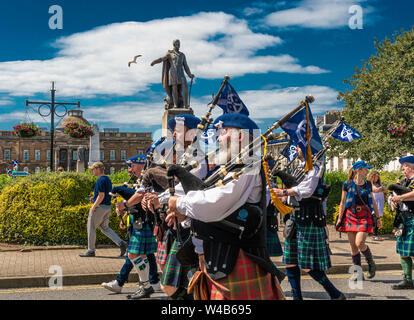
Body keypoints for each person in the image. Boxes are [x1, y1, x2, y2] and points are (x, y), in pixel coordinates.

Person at [163, 113, 285, 300]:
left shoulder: (248, 162)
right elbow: (218, 206)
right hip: (221, 260)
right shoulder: (233, 165)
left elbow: (216, 203)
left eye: (222, 132)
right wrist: (186, 215)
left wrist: (179, 204)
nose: (217, 138)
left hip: (236, 259)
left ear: (240, 136)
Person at [144, 114, 208, 300]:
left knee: (180, 285)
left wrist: (160, 199)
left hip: (197, 227)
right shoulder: (186, 156)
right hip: (183, 225)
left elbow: (191, 186)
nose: (174, 134)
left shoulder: (199, 156)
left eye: (178, 130)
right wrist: (158, 198)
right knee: (180, 285)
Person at [274, 147, 345, 300]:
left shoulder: (315, 168)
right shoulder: (300, 168)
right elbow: (295, 192)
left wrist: (285, 193)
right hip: (295, 219)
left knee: (307, 265)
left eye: (300, 146)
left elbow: (306, 190)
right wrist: (282, 196)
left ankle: (335, 294)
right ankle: (297, 298)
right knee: (290, 262)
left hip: (309, 221)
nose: (296, 149)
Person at [101, 156, 160, 295]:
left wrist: (124, 203)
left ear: (140, 165)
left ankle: (144, 285)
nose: (129, 170)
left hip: (146, 220)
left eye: (131, 166)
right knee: (140, 255)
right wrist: (125, 207)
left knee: (135, 254)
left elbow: (139, 196)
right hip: (141, 220)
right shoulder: (141, 178)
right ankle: (149, 283)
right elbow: (137, 198)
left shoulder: (148, 176)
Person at [336, 160, 382, 280]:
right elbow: (343, 202)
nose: (367, 171)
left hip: (365, 215)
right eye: (365, 169)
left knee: (359, 243)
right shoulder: (347, 184)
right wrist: (340, 217)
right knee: (353, 247)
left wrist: (378, 218)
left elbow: (373, 201)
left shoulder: (367, 184)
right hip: (351, 215)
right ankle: (358, 273)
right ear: (358, 170)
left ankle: (371, 264)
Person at [80, 162, 128, 257]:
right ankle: (121, 243)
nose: (92, 171)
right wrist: (94, 198)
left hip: (100, 207)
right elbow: (104, 194)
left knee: (91, 228)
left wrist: (94, 206)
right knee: (105, 228)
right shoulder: (107, 179)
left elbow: (101, 195)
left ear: (97, 169)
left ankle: (91, 250)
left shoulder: (100, 180)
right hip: (107, 207)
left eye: (93, 169)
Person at [389, 155, 414, 290]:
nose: (402, 168)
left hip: (413, 218)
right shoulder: (402, 181)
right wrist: (393, 202)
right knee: (403, 251)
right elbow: (393, 197)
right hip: (403, 219)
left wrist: (400, 197)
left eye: (403, 166)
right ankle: (407, 280)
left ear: (410, 166)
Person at [151, 39, 195, 109]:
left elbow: (186, 66)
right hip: (172, 73)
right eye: (177, 43)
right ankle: (175, 105)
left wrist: (189, 74)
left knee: (185, 87)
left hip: (181, 73)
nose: (179, 45)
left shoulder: (182, 55)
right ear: (174, 44)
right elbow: (161, 59)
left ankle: (186, 105)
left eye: (179, 43)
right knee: (174, 88)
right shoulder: (170, 54)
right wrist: (154, 62)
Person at [368, 170, 386, 240]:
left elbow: (385, 190)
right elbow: (375, 190)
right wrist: (381, 188)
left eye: (378, 177)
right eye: (375, 177)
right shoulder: (370, 184)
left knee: (378, 218)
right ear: (372, 177)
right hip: (375, 203)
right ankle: (373, 234)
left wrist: (381, 189)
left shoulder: (378, 184)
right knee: (375, 218)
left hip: (380, 202)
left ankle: (375, 234)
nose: (377, 178)